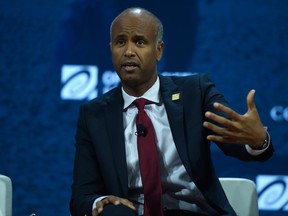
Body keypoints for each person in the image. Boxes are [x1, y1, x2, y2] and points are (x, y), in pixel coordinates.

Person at [70, 7, 274, 216]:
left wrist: (258, 141)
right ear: (111, 48)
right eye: (121, 42)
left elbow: (235, 140)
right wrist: (103, 202)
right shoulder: (93, 114)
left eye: (140, 42)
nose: (129, 51)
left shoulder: (195, 92)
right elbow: (81, 197)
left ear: (159, 50)